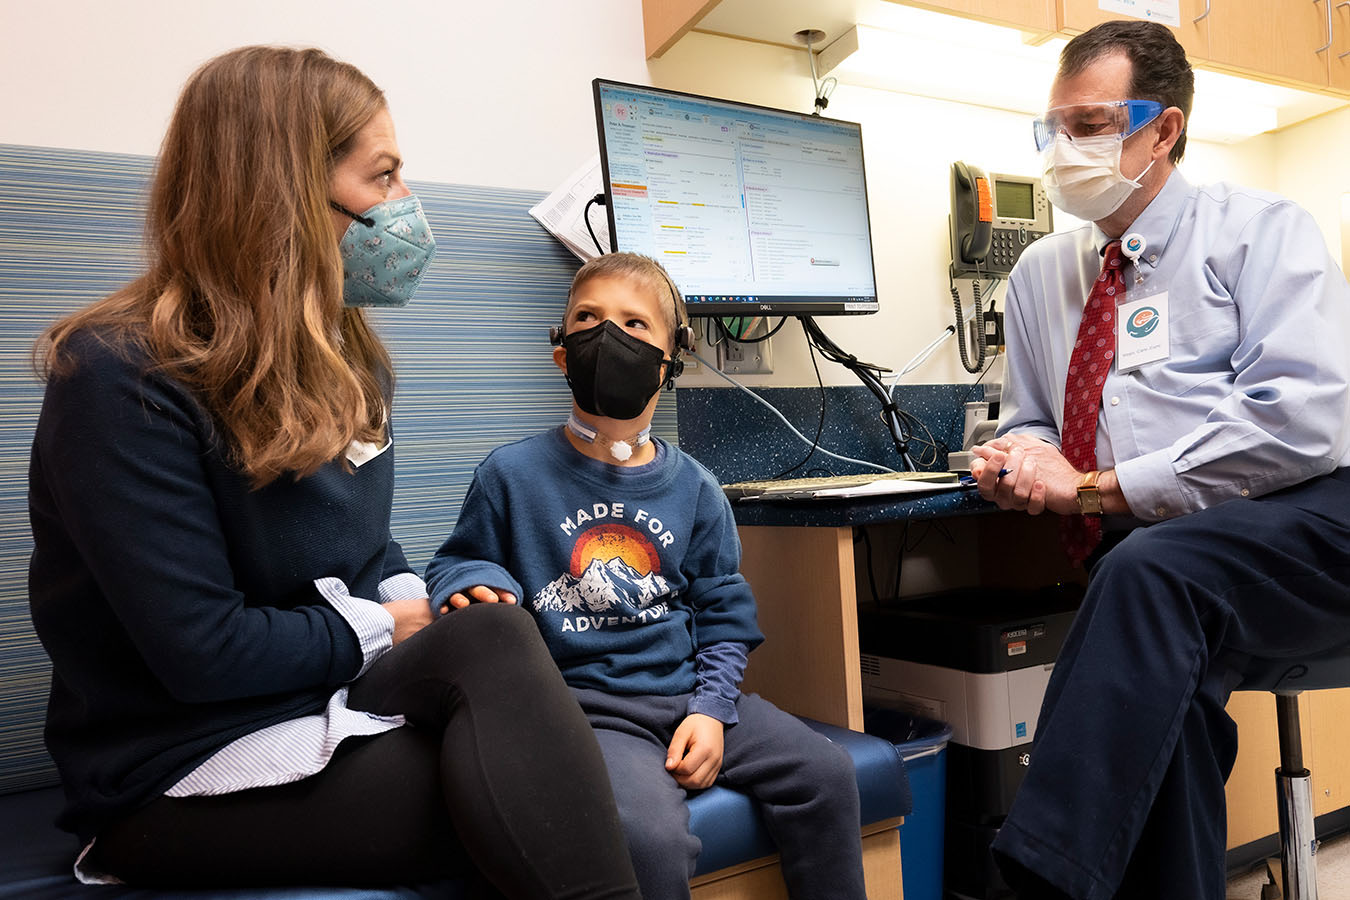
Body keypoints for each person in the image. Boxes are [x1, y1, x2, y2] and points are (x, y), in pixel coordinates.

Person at [27, 45, 641, 899]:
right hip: (179, 766)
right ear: (281, 196)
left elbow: (364, 550)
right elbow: (202, 654)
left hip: (325, 703)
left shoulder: (349, 364)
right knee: (547, 806)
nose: (406, 208)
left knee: (501, 642)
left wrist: (409, 596)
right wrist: (391, 622)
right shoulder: (117, 378)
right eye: (383, 178)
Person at [967, 19, 1350, 900]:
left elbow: (1303, 419)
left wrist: (1095, 488)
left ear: (1163, 129)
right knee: (1159, 692)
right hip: (1167, 562)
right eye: (1055, 127)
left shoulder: (1258, 232)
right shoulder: (1039, 276)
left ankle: (1037, 882)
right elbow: (1032, 418)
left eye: (1092, 125)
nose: (1067, 147)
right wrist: (1019, 459)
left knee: (1145, 577)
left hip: (1316, 523)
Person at [423, 252, 867, 900]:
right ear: (560, 351)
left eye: (634, 324)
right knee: (646, 841)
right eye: (588, 319)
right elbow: (459, 559)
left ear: (671, 357)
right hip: (589, 713)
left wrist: (712, 711)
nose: (609, 337)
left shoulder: (696, 489)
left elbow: (723, 613)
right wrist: (475, 583)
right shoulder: (510, 475)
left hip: (690, 693)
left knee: (829, 775)